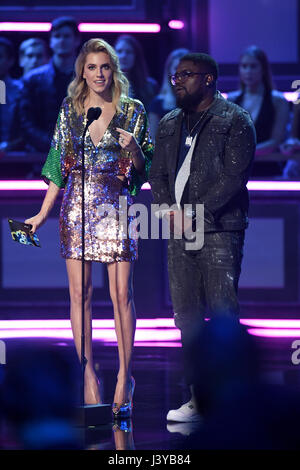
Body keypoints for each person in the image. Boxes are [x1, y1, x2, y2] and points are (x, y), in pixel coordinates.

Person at [24, 38, 153, 416]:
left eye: (106, 67)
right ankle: (88, 374)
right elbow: (55, 165)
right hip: (76, 210)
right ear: (82, 71)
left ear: (115, 70)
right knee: (79, 297)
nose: (99, 74)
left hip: (116, 208)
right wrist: (42, 213)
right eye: (92, 67)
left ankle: (124, 376)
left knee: (121, 297)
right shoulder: (71, 109)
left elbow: (144, 172)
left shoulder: (133, 111)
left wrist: (135, 152)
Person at [149, 52, 256, 422]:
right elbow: (158, 174)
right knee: (187, 317)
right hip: (179, 230)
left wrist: (193, 214)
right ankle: (198, 398)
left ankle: (233, 401)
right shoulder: (168, 122)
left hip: (218, 229)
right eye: (175, 75)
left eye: (186, 75)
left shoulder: (236, 120)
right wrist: (166, 211)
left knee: (223, 314)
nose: (177, 81)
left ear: (209, 79)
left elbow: (233, 178)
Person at [19, 16, 81, 153]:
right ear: (51, 42)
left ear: (76, 40)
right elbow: (25, 122)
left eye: (66, 36)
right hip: (40, 154)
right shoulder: (33, 79)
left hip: (80, 155)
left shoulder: (89, 78)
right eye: (57, 36)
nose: (62, 41)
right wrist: (51, 145)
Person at [227, 45, 289, 178]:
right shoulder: (231, 100)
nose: (248, 71)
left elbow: (275, 141)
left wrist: (244, 153)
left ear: (263, 70)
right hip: (237, 173)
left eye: (253, 66)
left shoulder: (278, 101)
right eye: (244, 66)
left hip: (268, 169)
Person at [148, 48, 189, 139]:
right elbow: (153, 141)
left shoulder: (201, 104)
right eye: (176, 68)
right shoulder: (157, 104)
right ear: (169, 72)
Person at [114, 34, 158, 112]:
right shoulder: (105, 85)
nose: (123, 56)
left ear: (136, 56)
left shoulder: (150, 86)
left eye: (128, 52)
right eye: (119, 51)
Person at [0, 37, 23, 153]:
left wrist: (10, 145)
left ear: (10, 61)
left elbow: (27, 126)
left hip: (15, 155)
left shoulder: (22, 89)